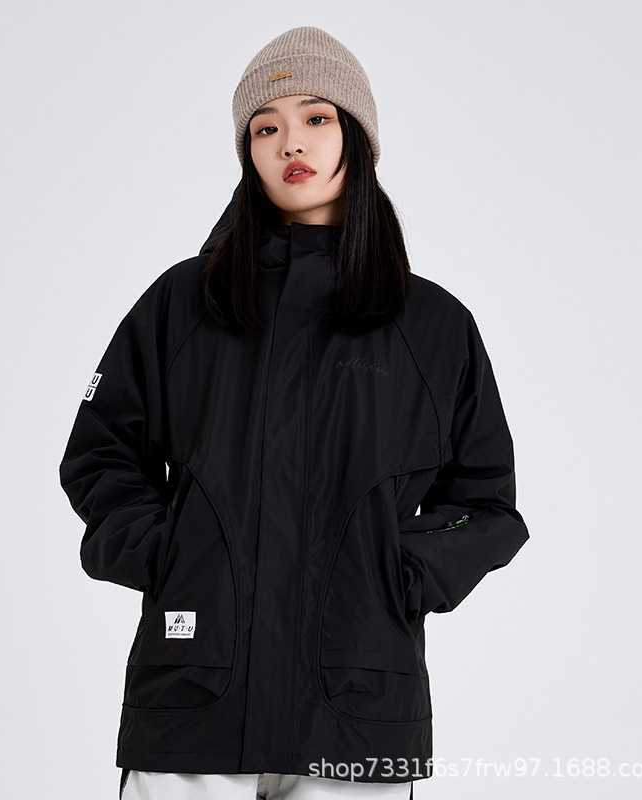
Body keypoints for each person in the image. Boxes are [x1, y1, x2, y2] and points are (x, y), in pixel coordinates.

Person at [59, 26, 529, 800]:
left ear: (358, 137)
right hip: (195, 696)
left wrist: (398, 572)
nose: (291, 143)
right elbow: (100, 454)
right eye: (265, 128)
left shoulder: (432, 325)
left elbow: (486, 501)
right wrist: (172, 555)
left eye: (316, 117)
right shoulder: (182, 304)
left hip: (356, 705)